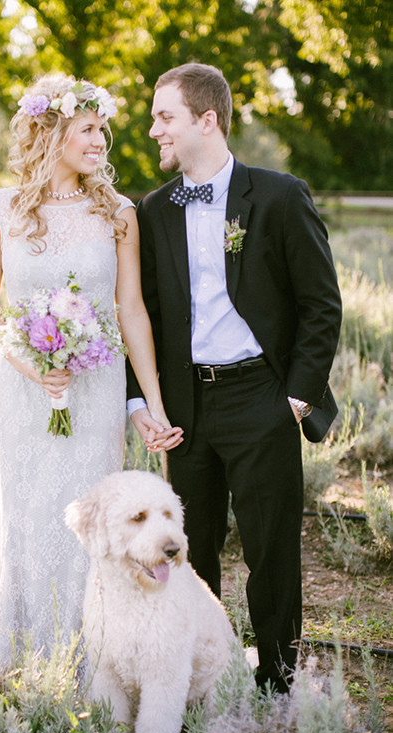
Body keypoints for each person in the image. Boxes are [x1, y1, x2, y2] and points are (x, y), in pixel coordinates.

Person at [127, 63, 342, 693]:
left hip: (263, 398)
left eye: (164, 117)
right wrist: (143, 400)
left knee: (270, 551)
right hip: (186, 408)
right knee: (187, 553)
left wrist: (296, 398)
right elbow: (146, 314)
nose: (153, 129)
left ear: (207, 120)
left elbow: (320, 304)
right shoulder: (155, 209)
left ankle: (277, 686)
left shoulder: (277, 195)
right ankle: (204, 682)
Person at [0, 74, 182, 664]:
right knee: (29, 513)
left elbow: (131, 310)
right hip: (25, 390)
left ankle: (89, 659)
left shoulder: (117, 212)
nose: (101, 142)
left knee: (92, 518)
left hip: (95, 392)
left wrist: (154, 406)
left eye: (102, 130)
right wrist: (26, 361)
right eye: (88, 130)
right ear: (53, 131)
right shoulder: (1, 209)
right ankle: (23, 661)